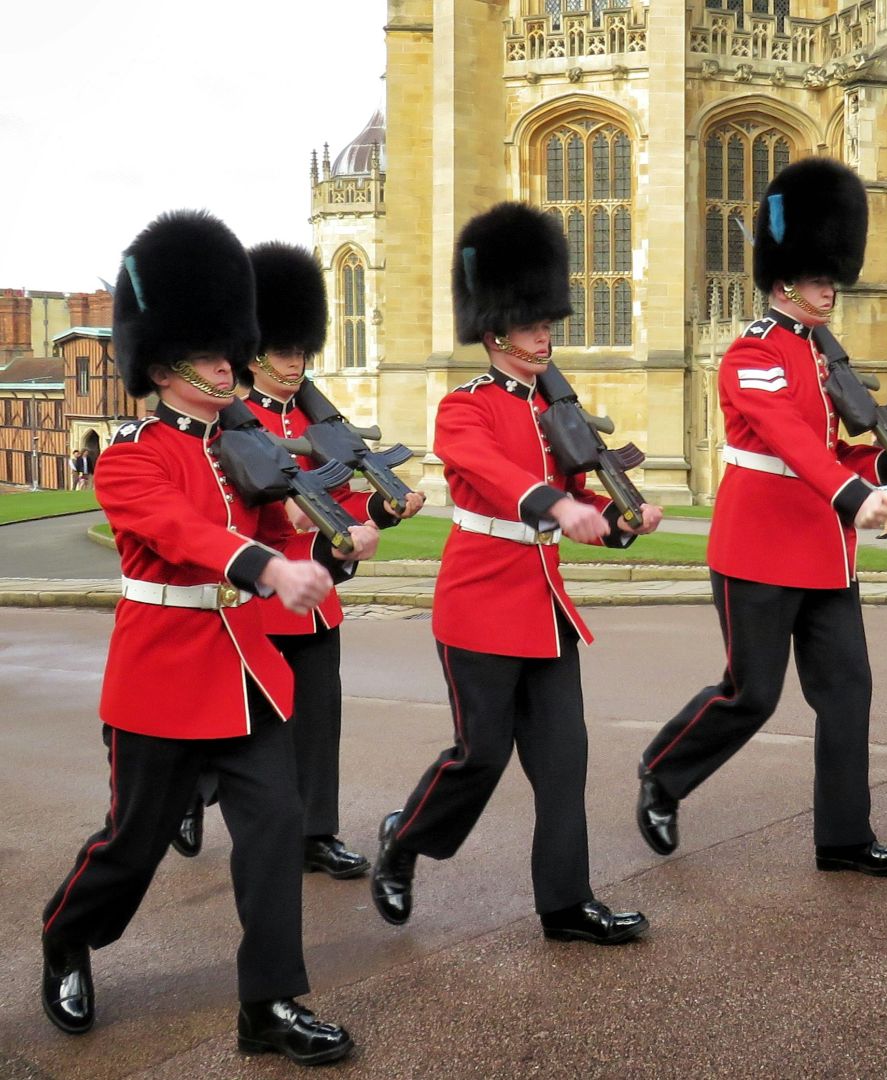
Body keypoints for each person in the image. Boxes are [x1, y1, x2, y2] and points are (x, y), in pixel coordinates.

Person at [39, 210, 370, 1064]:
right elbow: (188, 535)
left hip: (246, 674)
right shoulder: (130, 458)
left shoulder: (241, 450)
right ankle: (68, 936)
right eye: (215, 352)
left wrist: (337, 537)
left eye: (233, 349)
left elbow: (287, 522)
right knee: (131, 848)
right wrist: (266, 564)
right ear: (165, 364)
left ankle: (269, 1003)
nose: (232, 363)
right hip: (161, 681)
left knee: (271, 832)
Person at [368, 201, 662, 945]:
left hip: (544, 605)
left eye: (547, 322)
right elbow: (489, 473)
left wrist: (622, 520)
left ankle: (565, 905)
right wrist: (559, 505)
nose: (545, 333)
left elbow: (583, 499)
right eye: (532, 324)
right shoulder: (462, 407)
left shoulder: (557, 411)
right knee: (481, 757)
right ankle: (404, 843)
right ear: (496, 330)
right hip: (480, 601)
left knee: (565, 763)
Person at [635, 158, 887, 876]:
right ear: (783, 281)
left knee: (848, 693)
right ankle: (663, 775)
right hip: (759, 551)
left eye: (834, 277)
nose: (832, 289)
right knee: (752, 693)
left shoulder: (825, 361)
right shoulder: (751, 354)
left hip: (825, 555)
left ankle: (844, 837)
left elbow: (835, 450)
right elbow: (791, 445)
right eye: (820, 278)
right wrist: (855, 496)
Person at [240, 241, 426, 879]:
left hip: (317, 601)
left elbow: (347, 505)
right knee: (241, 729)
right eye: (284, 352)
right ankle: (189, 794)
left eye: (301, 352)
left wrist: (385, 512)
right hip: (259, 601)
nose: (295, 365)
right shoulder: (236, 426)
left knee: (318, 724)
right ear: (255, 353)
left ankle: (315, 832)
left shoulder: (320, 427)